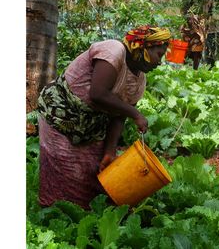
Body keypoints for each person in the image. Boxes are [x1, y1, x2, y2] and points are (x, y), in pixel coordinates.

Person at [37, 25, 171, 209]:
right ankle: (53, 218)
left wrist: (110, 150)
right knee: (64, 170)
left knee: (93, 175)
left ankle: (83, 221)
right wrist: (136, 114)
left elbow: (118, 117)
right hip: (61, 115)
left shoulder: (139, 80)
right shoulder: (114, 51)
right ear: (143, 47)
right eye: (159, 54)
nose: (159, 62)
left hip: (91, 126)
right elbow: (98, 93)